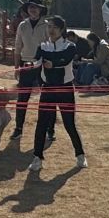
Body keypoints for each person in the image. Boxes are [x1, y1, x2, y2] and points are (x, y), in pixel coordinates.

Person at [28, 15, 85, 172]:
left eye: (54, 27)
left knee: (69, 123)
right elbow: (36, 61)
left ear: (61, 29)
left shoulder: (69, 46)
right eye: (49, 26)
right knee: (41, 123)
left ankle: (80, 154)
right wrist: (30, 65)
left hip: (65, 89)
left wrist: (52, 63)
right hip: (47, 89)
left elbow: (64, 60)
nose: (51, 30)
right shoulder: (42, 46)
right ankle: (37, 157)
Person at [8, 0, 50, 147]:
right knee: (22, 99)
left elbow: (50, 45)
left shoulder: (46, 25)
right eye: (31, 7)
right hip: (26, 64)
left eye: (36, 8)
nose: (33, 10)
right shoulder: (22, 25)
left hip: (42, 65)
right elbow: (18, 46)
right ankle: (18, 128)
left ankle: (49, 129)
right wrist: (16, 67)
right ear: (27, 9)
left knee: (46, 99)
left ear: (40, 10)